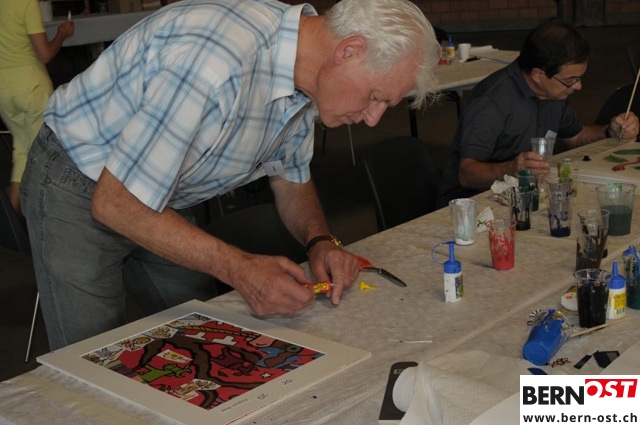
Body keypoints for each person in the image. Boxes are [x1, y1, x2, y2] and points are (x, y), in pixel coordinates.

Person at [21, 0, 440, 350]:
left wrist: (319, 242)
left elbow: (289, 178)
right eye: (376, 97)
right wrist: (240, 269)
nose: (373, 119)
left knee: (202, 337)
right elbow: (116, 203)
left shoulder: (305, 75)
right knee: (94, 356)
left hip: (161, 191)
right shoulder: (216, 63)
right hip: (78, 181)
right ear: (349, 51)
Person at [436, 19, 640, 206]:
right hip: (472, 202)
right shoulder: (492, 101)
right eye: (570, 80)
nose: (578, 86)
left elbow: (576, 137)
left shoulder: (553, 93)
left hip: (524, 194)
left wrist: (609, 131)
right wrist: (511, 169)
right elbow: (467, 174)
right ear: (538, 74)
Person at [0, 0, 74, 214]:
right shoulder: (25, 3)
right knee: (44, 154)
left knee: (22, 150)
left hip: (4, 88)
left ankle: (12, 218)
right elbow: (45, 54)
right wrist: (62, 34)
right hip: (31, 86)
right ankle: (42, 216)